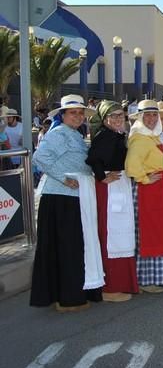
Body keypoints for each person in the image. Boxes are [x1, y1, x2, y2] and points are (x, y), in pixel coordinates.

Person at [30, 94, 103, 311]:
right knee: (67, 247)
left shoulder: (74, 134)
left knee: (68, 246)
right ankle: (68, 298)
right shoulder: (59, 133)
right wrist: (64, 178)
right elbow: (39, 158)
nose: (78, 116)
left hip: (70, 198)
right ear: (63, 115)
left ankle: (68, 294)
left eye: (81, 113)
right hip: (61, 199)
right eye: (73, 113)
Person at [125, 100, 163, 293]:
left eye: (153, 115)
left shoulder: (152, 137)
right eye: (147, 115)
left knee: (160, 230)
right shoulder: (140, 138)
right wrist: (144, 178)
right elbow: (132, 165)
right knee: (150, 232)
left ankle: (158, 275)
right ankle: (146, 279)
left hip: (160, 190)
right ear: (140, 118)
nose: (151, 119)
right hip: (149, 191)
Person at [86, 100, 138, 302]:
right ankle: (109, 287)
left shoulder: (116, 135)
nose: (117, 119)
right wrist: (102, 176)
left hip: (118, 185)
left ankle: (121, 283)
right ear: (104, 119)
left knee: (121, 236)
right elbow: (93, 158)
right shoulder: (105, 136)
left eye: (120, 115)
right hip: (110, 189)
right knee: (111, 237)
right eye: (113, 116)